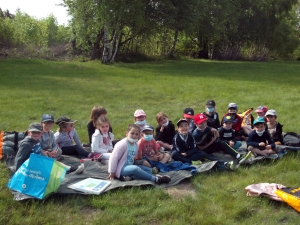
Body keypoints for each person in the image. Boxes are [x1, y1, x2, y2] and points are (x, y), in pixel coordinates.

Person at [14, 122, 84, 174]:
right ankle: (68, 170)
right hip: (30, 166)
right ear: (29, 133)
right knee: (51, 167)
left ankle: (69, 169)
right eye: (33, 132)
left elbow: (39, 150)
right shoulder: (26, 144)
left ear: (41, 134)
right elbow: (19, 159)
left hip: (38, 161)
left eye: (38, 132)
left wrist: (47, 157)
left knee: (52, 162)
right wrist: (18, 174)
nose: (35, 134)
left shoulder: (36, 140)